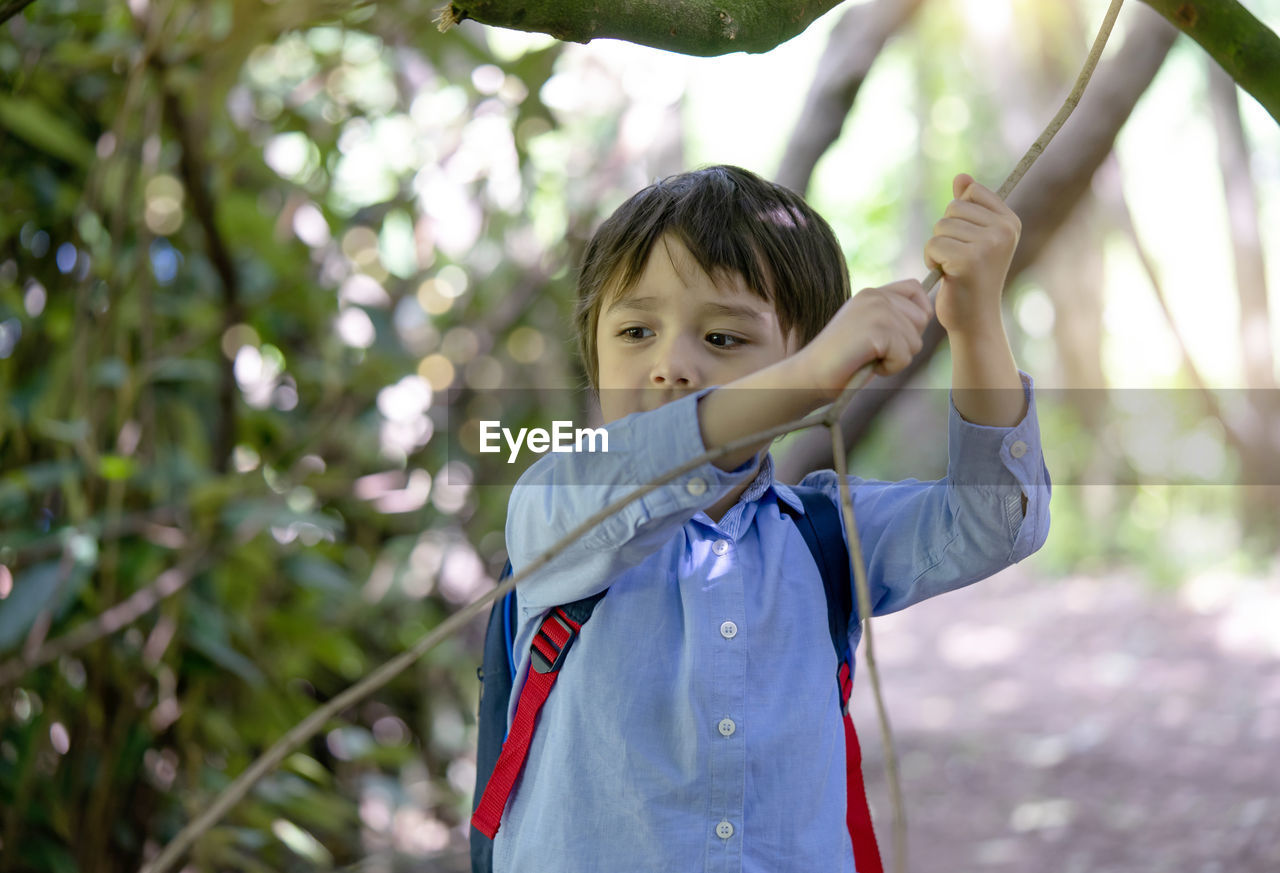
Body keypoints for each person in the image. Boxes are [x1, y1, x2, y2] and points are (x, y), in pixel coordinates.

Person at [493, 164, 1050, 872]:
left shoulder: (824, 537)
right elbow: (644, 467)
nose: (670, 363)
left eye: (723, 339)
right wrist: (806, 375)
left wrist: (974, 322)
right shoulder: (556, 502)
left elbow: (998, 519)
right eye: (636, 329)